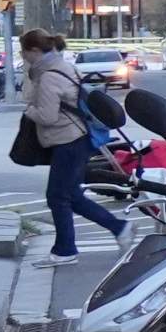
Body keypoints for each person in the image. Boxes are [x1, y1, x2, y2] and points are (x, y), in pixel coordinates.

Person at [21, 30, 124, 260]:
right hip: (76, 139)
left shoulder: (48, 76)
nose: (22, 56)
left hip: (69, 140)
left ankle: (66, 249)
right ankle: (119, 228)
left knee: (57, 196)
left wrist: (29, 112)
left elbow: (46, 115)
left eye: (24, 51)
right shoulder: (61, 67)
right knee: (70, 195)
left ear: (35, 51)